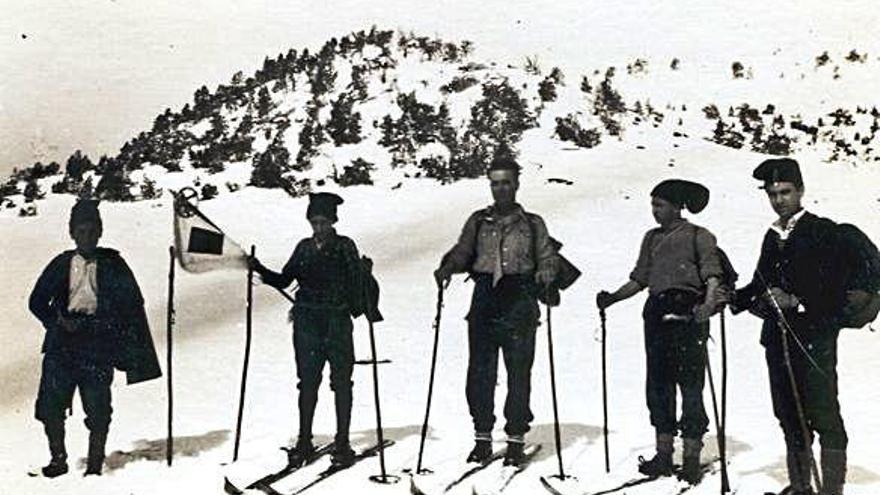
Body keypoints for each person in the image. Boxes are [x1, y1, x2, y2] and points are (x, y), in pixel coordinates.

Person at [730, 158, 849, 495]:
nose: (778, 200)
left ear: (800, 191)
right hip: (776, 339)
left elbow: (836, 285)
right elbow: (760, 282)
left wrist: (796, 298)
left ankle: (831, 492)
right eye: (772, 194)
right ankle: (800, 487)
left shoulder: (822, 231)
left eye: (785, 192)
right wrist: (733, 298)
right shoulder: (772, 236)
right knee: (788, 415)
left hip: (814, 337)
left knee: (825, 414)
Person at [433, 155, 558, 467]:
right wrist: (448, 266)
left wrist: (546, 272)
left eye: (506, 183)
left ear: (516, 184)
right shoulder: (478, 221)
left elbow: (547, 257)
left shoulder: (533, 223)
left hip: (520, 298)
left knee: (518, 373)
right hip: (485, 298)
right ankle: (482, 438)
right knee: (480, 373)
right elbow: (463, 252)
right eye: (495, 183)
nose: (500, 189)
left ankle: (515, 439)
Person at [596, 179, 723, 484]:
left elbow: (713, 275)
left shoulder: (699, 236)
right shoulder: (651, 238)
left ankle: (691, 457)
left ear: (678, 206)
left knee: (691, 384)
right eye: (653, 204)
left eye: (660, 204)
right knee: (658, 384)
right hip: (655, 315)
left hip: (688, 314)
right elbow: (640, 279)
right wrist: (613, 297)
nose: (654, 211)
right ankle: (664, 455)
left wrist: (707, 306)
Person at [28, 199, 162, 477]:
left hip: (98, 346)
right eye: (81, 231)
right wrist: (58, 321)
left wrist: (108, 327)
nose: (87, 236)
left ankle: (94, 465)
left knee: (98, 408)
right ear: (72, 233)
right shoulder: (61, 264)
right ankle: (58, 459)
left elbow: (132, 303)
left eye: (92, 231)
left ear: (100, 232)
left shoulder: (114, 264)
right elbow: (37, 301)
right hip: (62, 345)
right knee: (51, 406)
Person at [250, 192, 378, 468]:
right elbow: (285, 279)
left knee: (341, 382)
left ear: (333, 221)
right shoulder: (303, 247)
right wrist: (258, 268)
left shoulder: (345, 246)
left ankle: (342, 443)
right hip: (307, 323)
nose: (318, 228)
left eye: (323, 222)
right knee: (307, 382)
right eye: (314, 222)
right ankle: (304, 441)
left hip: (336, 322)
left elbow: (356, 281)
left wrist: (364, 273)